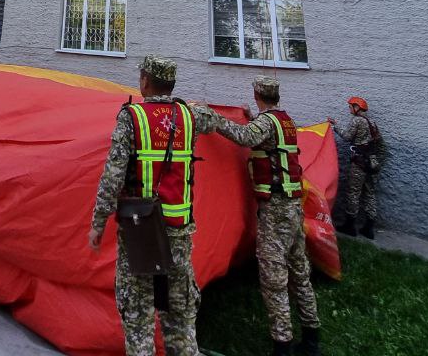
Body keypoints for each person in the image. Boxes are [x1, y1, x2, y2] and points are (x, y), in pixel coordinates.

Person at [89, 55, 221, 356]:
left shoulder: (132, 117)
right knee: (180, 321)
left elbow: (112, 177)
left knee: (138, 318)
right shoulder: (190, 115)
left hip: (142, 233)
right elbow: (216, 121)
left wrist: (98, 223)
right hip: (179, 234)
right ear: (171, 84)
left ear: (145, 81)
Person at [213, 77, 320, 356]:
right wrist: (252, 118)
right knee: (300, 273)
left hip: (276, 210)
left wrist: (212, 119)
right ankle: (312, 339)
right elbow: (268, 140)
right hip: (293, 207)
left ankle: (282, 346)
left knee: (274, 280)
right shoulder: (285, 120)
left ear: (257, 94)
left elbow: (244, 137)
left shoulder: (266, 123)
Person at [330, 95, 381, 239]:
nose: (349, 109)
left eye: (350, 107)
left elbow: (347, 136)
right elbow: (378, 141)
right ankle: (369, 228)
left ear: (357, 107)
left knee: (353, 193)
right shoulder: (372, 122)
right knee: (369, 193)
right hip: (372, 163)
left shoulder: (357, 120)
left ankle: (349, 226)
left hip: (359, 163)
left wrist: (335, 126)